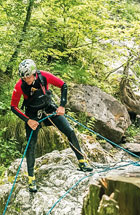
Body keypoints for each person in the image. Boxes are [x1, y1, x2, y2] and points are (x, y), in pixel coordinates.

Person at [10, 59, 92, 193]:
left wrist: (62, 105)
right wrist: (28, 120)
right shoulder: (20, 85)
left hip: (49, 110)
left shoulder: (44, 76)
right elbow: (13, 107)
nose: (27, 80)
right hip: (32, 115)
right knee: (31, 144)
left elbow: (63, 85)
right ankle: (31, 178)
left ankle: (82, 161)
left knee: (69, 131)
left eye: (28, 77)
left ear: (34, 73)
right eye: (24, 77)